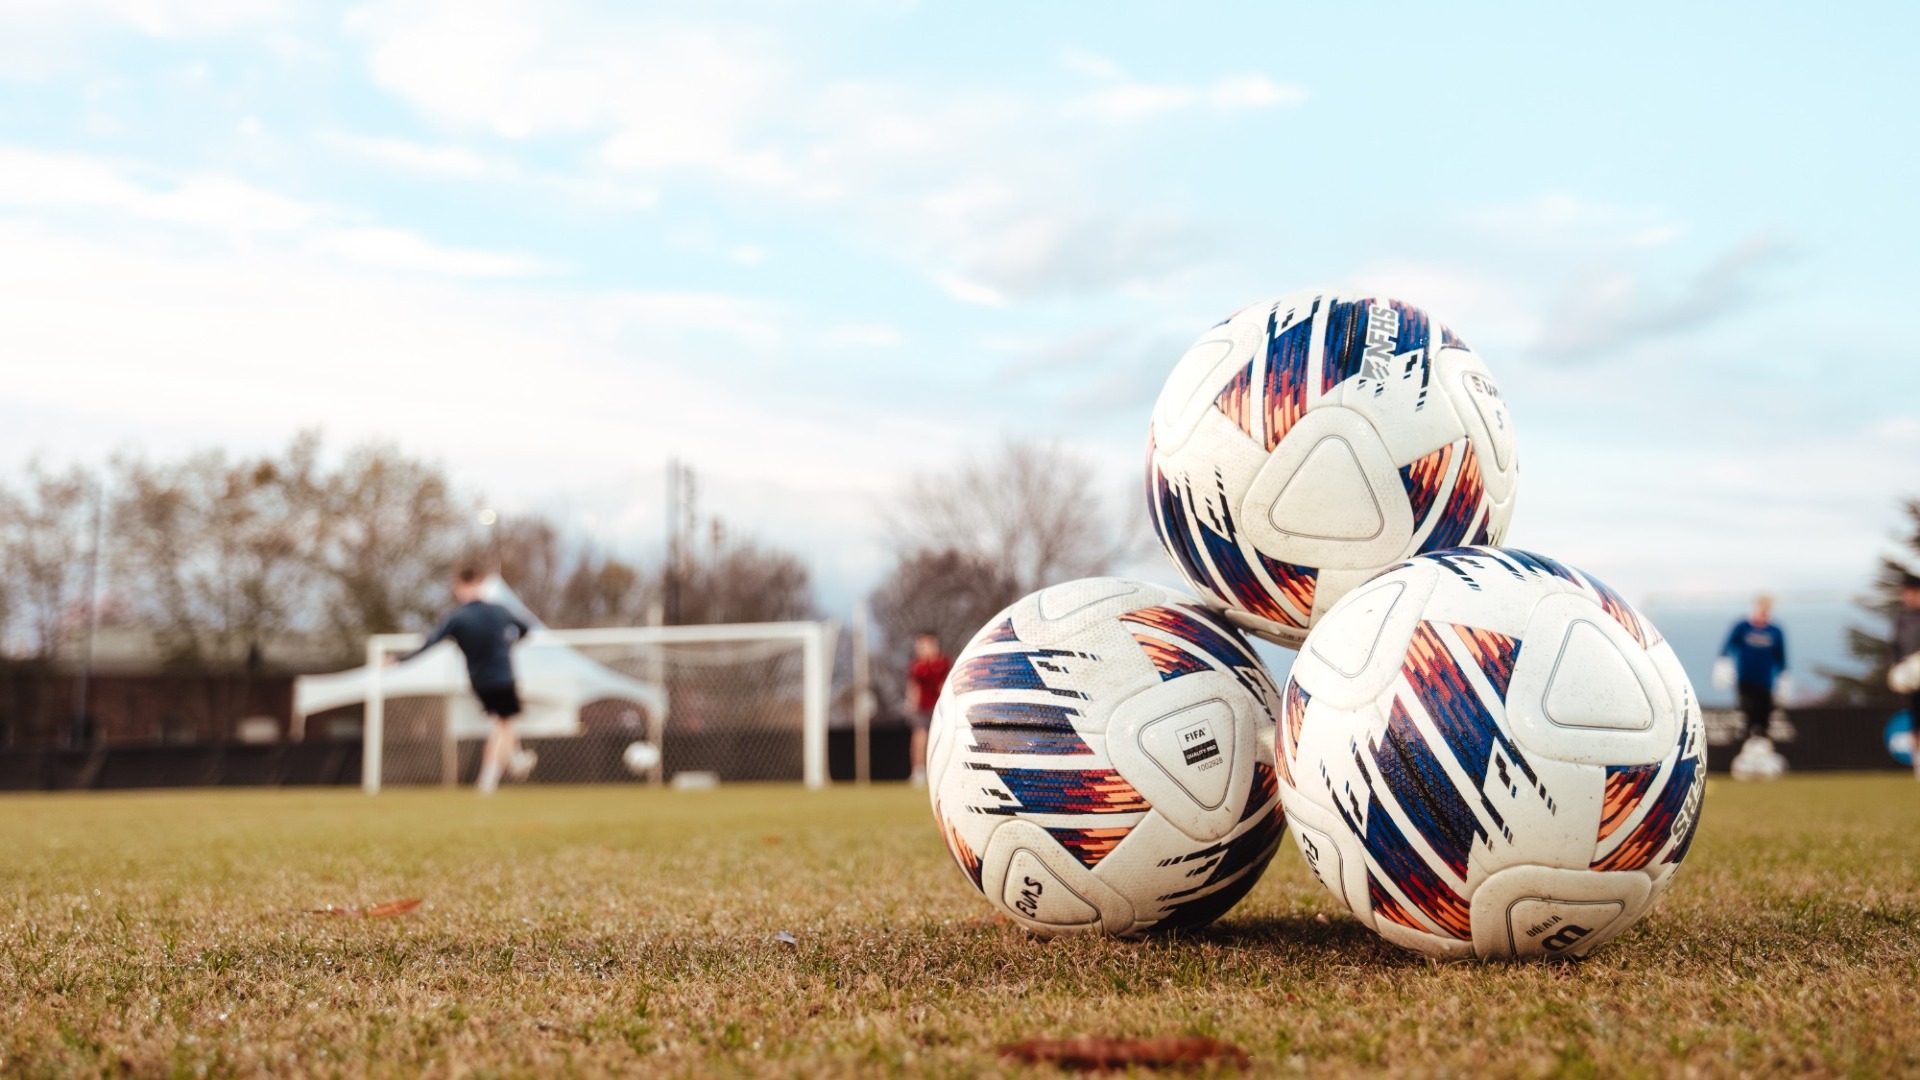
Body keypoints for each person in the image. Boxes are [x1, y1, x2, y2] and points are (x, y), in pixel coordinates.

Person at [392, 564, 535, 795]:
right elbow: (526, 629)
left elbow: (430, 643)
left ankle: (513, 757)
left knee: (501, 724)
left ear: (462, 586)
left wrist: (401, 659)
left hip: (478, 681)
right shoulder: (497, 611)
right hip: (501, 677)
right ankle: (494, 774)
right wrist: (506, 643)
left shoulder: (457, 617)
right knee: (504, 724)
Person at [1718, 595, 1789, 745]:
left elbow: (1781, 656)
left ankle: (1762, 743)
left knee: (1763, 714)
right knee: (1747, 712)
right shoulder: (1742, 627)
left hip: (1765, 682)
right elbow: (1727, 646)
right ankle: (1745, 743)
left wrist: (1784, 677)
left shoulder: (1775, 631)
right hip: (1745, 680)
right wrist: (1723, 664)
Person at [903, 630, 953, 787]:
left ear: (933, 644)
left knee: (945, 739)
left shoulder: (945, 662)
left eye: (923, 645)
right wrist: (911, 703)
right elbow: (913, 687)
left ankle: (947, 770)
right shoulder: (916, 666)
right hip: (923, 709)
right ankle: (918, 772)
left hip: (942, 708)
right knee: (919, 738)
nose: (920, 648)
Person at [1889, 573, 1920, 780]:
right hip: (1912, 681)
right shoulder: (1901, 619)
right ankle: (1918, 761)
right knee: (1916, 719)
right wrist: (1895, 668)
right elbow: (1893, 647)